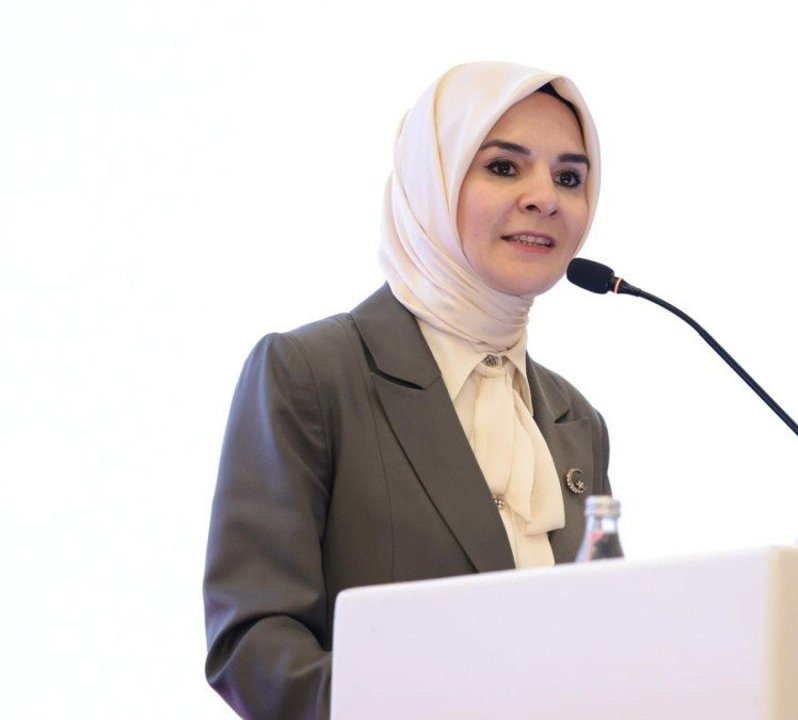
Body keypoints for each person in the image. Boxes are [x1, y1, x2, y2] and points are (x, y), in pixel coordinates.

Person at [202, 62, 610, 720]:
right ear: (430, 184)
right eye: (504, 167)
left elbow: (597, 638)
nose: (545, 197)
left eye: (569, 177)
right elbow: (253, 646)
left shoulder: (575, 420)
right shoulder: (312, 374)